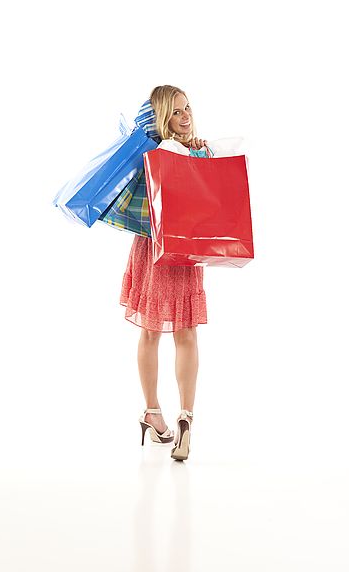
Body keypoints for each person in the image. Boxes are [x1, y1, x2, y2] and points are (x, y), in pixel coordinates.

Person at [119, 85, 208, 461]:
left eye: (187, 108)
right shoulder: (190, 153)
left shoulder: (153, 155)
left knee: (152, 332)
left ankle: (153, 411)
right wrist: (198, 153)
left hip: (158, 247)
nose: (185, 116)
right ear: (161, 119)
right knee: (181, 333)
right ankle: (183, 419)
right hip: (180, 248)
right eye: (175, 112)